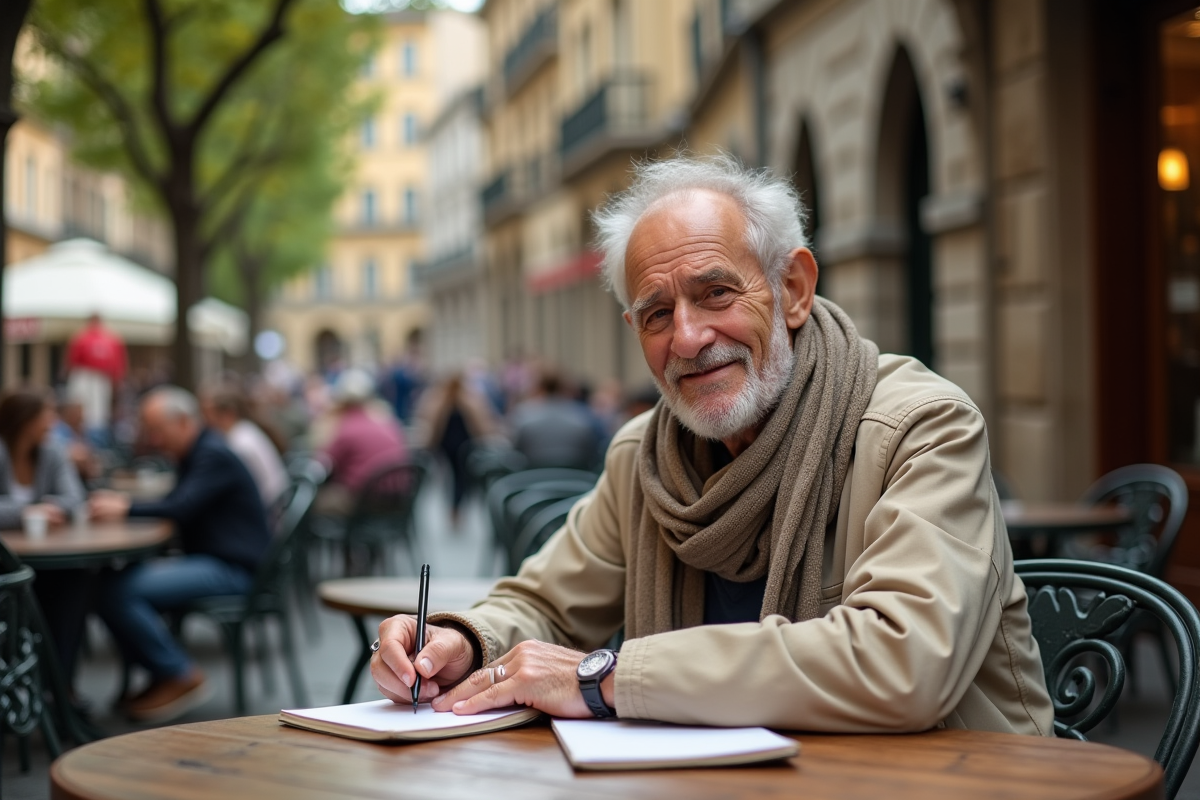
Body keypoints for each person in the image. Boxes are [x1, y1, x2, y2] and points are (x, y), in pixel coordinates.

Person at [371, 155, 1054, 736]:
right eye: (658, 314)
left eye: (715, 293)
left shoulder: (922, 426)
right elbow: (546, 604)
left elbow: (906, 662)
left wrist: (609, 677)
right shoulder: (645, 457)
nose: (689, 338)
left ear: (792, 289)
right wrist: (461, 642)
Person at [90, 386, 271, 722]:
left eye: (158, 430)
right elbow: (182, 503)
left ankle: (178, 674)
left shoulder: (213, 453)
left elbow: (180, 506)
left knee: (116, 589)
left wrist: (125, 507)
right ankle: (160, 673)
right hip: (219, 559)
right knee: (111, 581)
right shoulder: (202, 451)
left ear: (185, 421)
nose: (154, 439)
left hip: (233, 569)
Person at [0, 390, 92, 684]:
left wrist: (48, 507)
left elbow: (75, 499)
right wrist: (29, 510)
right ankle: (23, 684)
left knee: (78, 579)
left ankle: (61, 685)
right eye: (47, 415)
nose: (53, 422)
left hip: (47, 556)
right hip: (5, 562)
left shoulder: (52, 452)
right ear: (26, 421)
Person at [316, 368, 408, 516]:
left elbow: (321, 464)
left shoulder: (346, 428)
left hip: (365, 502)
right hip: (398, 498)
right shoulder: (386, 421)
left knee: (314, 502)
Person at [414, 371, 499, 526]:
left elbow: (429, 423)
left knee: (453, 479)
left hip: (447, 446)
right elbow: (482, 423)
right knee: (460, 479)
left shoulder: (439, 400)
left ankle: (455, 509)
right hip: (462, 446)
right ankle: (457, 508)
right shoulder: (468, 399)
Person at [200, 383, 289, 507]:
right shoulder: (245, 430)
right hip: (275, 507)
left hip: (269, 514)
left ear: (228, 413)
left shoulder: (239, 445)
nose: (203, 420)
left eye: (207, 413)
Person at [508, 369, 605, 470]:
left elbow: (516, 450)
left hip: (532, 477)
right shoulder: (583, 416)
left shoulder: (523, 414)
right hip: (576, 478)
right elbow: (593, 451)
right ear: (563, 388)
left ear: (539, 387)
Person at [65, 314, 127, 445]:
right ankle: (81, 438)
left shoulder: (108, 338)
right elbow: (72, 361)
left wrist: (116, 382)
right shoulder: (82, 337)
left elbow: (118, 364)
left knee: (97, 415)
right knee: (83, 412)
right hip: (85, 376)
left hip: (100, 378)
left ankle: (95, 441)